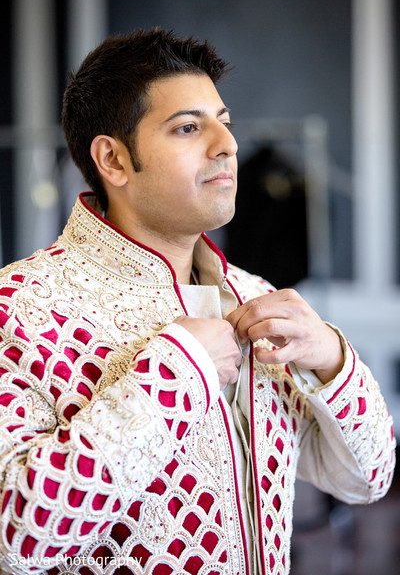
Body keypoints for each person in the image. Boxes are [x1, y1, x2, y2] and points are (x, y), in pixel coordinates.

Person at [0, 28, 395, 575]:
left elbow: (367, 479)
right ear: (113, 160)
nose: (227, 144)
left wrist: (332, 359)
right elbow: (17, 539)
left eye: (224, 122)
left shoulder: (257, 300)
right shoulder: (19, 309)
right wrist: (175, 377)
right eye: (188, 127)